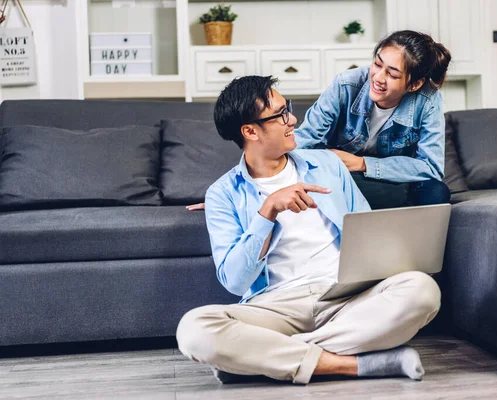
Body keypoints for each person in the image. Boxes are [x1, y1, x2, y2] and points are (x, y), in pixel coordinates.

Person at [176, 75, 441, 385]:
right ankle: (354, 365)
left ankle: (262, 358)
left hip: (344, 298)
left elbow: (369, 235)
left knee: (422, 291)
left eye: (287, 108)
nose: (293, 119)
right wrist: (268, 211)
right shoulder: (222, 194)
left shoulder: (327, 164)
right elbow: (235, 282)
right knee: (194, 330)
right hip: (275, 306)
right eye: (279, 114)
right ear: (250, 131)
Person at [294, 30, 452, 209]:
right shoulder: (345, 84)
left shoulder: (428, 101)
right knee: (326, 184)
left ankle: (353, 203)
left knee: (436, 192)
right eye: (377, 64)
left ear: (414, 84)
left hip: (388, 178)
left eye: (392, 75)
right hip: (342, 175)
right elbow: (305, 139)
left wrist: (362, 164)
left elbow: (431, 168)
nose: (378, 78)